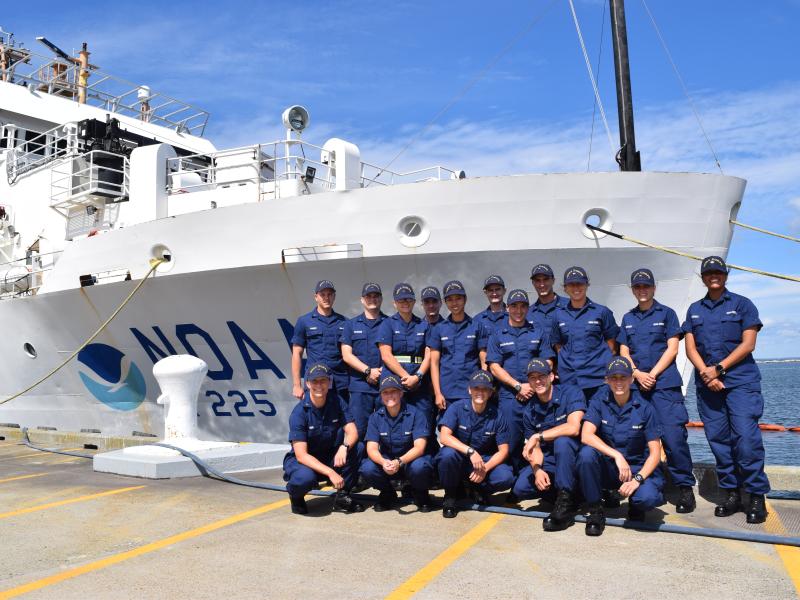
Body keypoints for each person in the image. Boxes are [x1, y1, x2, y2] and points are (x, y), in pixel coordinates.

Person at [682, 255, 770, 524]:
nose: (714, 276)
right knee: (719, 442)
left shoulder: (743, 304)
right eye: (709, 273)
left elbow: (748, 344)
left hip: (741, 383)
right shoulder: (694, 309)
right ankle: (732, 493)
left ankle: (755, 495)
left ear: (726, 274)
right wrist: (707, 375)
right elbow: (691, 347)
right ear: (703, 277)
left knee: (746, 439)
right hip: (709, 386)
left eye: (718, 272)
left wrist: (718, 369)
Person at [618, 268, 696, 513]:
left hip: (664, 386)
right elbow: (623, 351)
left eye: (646, 286)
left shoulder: (667, 314)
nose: (642, 290)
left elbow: (672, 349)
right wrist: (637, 374)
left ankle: (684, 488)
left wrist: (651, 374)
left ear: (654, 288)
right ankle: (652, 485)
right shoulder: (628, 318)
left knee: (674, 439)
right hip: (638, 386)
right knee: (638, 439)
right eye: (638, 287)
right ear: (633, 290)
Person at [578, 357, 665, 536]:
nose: (619, 382)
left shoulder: (645, 408)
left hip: (636, 469)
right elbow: (586, 435)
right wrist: (617, 456)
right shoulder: (599, 401)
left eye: (623, 377)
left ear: (632, 379)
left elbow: (655, 454)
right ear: (607, 380)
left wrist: (637, 480)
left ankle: (636, 503)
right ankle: (595, 511)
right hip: (611, 467)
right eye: (614, 378)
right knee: (586, 455)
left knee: (647, 499)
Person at [512, 358, 586, 531]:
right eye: (533, 378)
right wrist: (537, 470)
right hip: (551, 459)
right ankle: (570, 497)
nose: (538, 381)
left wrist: (539, 436)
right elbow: (534, 448)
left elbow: (574, 428)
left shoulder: (571, 393)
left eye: (542, 376)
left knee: (563, 441)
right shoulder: (530, 409)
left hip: (575, 456)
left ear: (552, 376)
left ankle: (564, 507)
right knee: (521, 488)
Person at [282, 363, 365, 515]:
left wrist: (344, 447)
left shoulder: (337, 402)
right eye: (315, 381)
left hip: (328, 455)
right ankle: (296, 496)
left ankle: (342, 496)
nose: (319, 385)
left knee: (357, 447)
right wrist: (331, 473)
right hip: (305, 461)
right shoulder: (299, 413)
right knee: (305, 478)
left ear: (329, 382)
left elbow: (353, 432)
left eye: (323, 381)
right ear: (307, 383)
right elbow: (301, 455)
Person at [486, 289, 555, 469]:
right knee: (511, 440)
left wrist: (531, 386)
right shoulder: (498, 334)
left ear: (528, 308)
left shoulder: (538, 331)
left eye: (523, 306)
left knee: (541, 437)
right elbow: (494, 366)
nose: (519, 310)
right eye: (514, 306)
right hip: (510, 396)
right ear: (507, 308)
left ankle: (543, 474)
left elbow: (548, 360)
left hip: (537, 394)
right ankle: (516, 480)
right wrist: (518, 386)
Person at [436, 370, 514, 517]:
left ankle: (477, 488)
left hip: (483, 462)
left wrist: (485, 468)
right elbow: (444, 437)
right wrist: (470, 451)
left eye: (485, 389)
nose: (480, 392)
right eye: (476, 388)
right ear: (469, 390)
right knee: (446, 455)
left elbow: (503, 451)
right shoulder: (457, 408)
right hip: (460, 459)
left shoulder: (497, 415)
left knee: (506, 477)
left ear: (491, 393)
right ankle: (451, 495)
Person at [359, 374, 434, 512]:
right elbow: (372, 448)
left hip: (410, 462)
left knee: (421, 466)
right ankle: (388, 493)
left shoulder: (416, 414)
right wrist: (383, 462)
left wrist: (399, 462)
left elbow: (419, 447)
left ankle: (420, 493)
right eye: (385, 392)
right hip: (388, 464)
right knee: (367, 468)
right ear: (381, 396)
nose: (389, 395)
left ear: (401, 393)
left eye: (393, 391)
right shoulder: (376, 417)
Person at [552, 266, 620, 401]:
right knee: (575, 420)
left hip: (598, 380)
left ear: (587, 285)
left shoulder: (602, 312)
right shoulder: (558, 315)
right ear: (565, 288)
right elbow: (558, 344)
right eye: (571, 284)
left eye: (580, 283)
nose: (576, 288)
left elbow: (611, 346)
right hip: (571, 380)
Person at [377, 283, 434, 433]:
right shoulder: (387, 324)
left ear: (414, 302)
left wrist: (418, 376)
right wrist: (406, 376)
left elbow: (429, 354)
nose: (405, 303)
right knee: (395, 422)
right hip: (394, 380)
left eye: (409, 300)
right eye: (401, 300)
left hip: (419, 381)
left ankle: (424, 455)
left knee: (423, 421)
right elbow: (386, 355)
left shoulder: (423, 325)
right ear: (394, 303)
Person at [429, 280, 489, 414]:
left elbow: (484, 361)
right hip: (447, 392)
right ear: (445, 302)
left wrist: (484, 386)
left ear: (465, 299)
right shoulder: (439, 329)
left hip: (471, 391)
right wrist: (438, 393)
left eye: (458, 298)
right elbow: (434, 363)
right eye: (450, 299)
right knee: (447, 431)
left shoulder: (477, 326)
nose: (454, 303)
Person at [340, 282, 387, 439]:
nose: (372, 299)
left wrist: (380, 372)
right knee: (359, 432)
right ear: (362, 299)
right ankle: (360, 464)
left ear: (381, 299)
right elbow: (346, 355)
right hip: (360, 388)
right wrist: (368, 371)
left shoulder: (390, 323)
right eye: (368, 296)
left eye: (375, 296)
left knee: (388, 431)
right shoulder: (351, 325)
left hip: (386, 386)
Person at [291, 280, 348, 403]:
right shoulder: (304, 321)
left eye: (330, 294)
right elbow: (296, 354)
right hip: (315, 383)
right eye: (323, 294)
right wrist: (296, 384)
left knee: (343, 420)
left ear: (334, 296)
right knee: (316, 420)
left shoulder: (345, 322)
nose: (326, 298)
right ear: (316, 297)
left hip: (340, 382)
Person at [527, 264, 568, 333]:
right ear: (533, 283)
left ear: (553, 280)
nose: (542, 284)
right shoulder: (528, 313)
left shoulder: (569, 306)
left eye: (546, 279)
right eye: (537, 280)